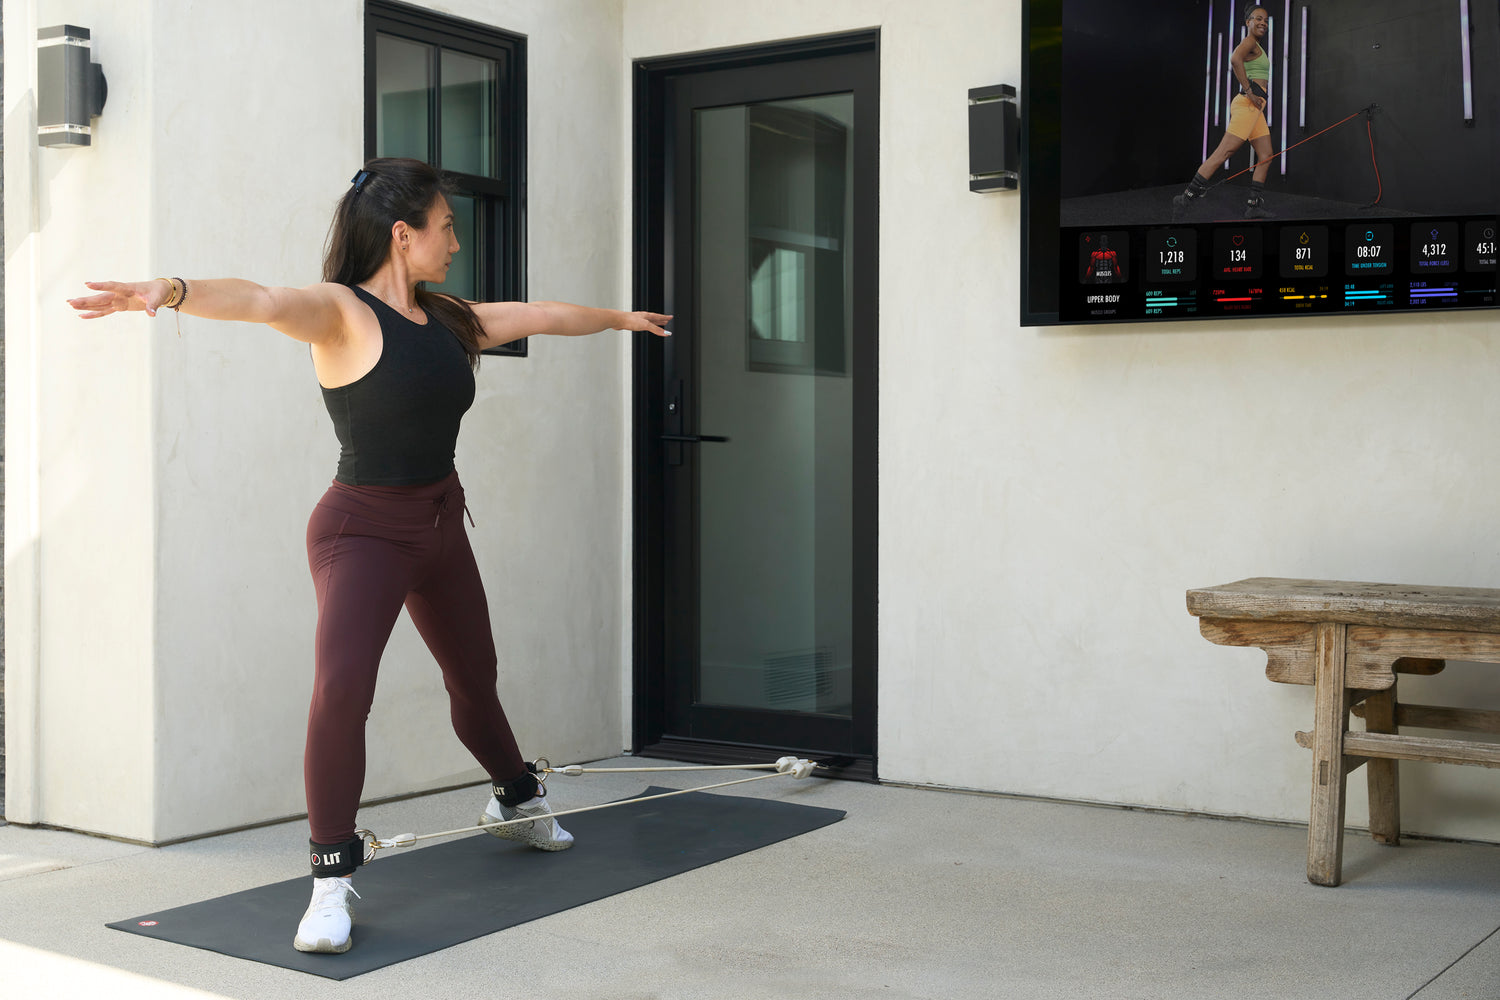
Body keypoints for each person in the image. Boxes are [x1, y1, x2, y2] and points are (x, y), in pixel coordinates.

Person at [66, 157, 672, 955]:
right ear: (402, 234)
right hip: (362, 533)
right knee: (343, 690)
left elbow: (541, 315)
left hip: (440, 525)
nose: (455, 240)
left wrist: (619, 320)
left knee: (473, 678)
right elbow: (260, 299)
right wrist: (171, 289)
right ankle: (328, 882)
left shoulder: (447, 317)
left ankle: (516, 798)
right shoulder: (340, 313)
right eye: (446, 226)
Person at [1174, 4, 1276, 220]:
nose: (1263, 23)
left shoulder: (1256, 45)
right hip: (1248, 106)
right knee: (1224, 153)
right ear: (1248, 22)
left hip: (1255, 109)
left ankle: (1253, 206)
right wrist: (1249, 91)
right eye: (1258, 19)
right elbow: (1234, 59)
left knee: (1266, 155)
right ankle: (1186, 198)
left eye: (1266, 20)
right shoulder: (1249, 42)